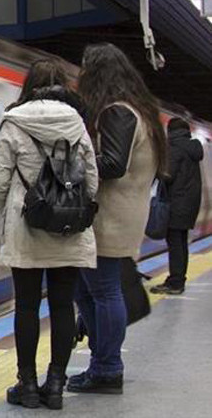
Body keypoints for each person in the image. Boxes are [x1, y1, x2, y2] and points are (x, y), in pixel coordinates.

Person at [0, 59, 98, 410]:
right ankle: (55, 385)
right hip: (68, 229)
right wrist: (71, 205)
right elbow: (92, 182)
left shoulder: (14, 122)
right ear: (63, 86)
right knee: (63, 305)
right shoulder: (77, 124)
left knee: (28, 306)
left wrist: (15, 208)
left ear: (29, 85)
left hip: (26, 228)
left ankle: (28, 386)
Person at [71, 43, 167, 395]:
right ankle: (102, 363)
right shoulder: (139, 111)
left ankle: (108, 368)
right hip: (121, 214)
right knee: (88, 289)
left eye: (84, 69)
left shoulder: (117, 112)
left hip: (111, 217)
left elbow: (112, 164)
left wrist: (74, 165)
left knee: (103, 291)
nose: (80, 77)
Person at [151, 118, 204, 295]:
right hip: (188, 204)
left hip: (176, 203)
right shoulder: (192, 148)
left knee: (175, 243)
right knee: (180, 243)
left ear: (170, 131)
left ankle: (175, 283)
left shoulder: (175, 147)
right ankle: (178, 279)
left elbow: (167, 175)